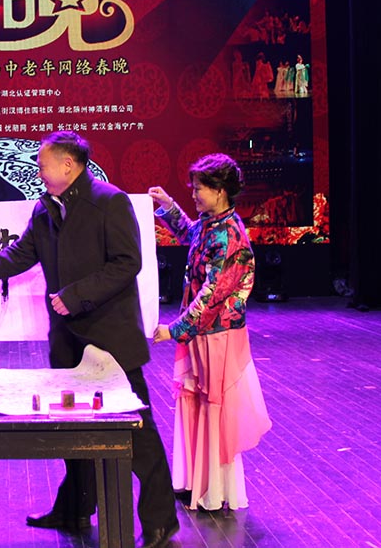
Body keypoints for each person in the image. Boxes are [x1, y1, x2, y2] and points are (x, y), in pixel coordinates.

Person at [0, 132, 179, 548]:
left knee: (138, 432)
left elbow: (127, 263)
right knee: (72, 428)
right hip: (67, 341)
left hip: (110, 338)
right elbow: (18, 255)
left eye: (42, 164)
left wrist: (75, 295)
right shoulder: (45, 207)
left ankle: (161, 520)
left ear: (68, 165)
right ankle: (74, 508)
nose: (38, 171)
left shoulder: (110, 201)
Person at [147, 153, 272, 513]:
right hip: (202, 332)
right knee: (197, 402)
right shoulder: (211, 223)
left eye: (199, 189)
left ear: (220, 191)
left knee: (213, 407)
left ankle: (214, 488)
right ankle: (195, 481)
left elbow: (212, 294)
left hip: (217, 333)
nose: (194, 194)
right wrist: (168, 206)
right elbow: (190, 233)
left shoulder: (230, 235)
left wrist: (175, 329)